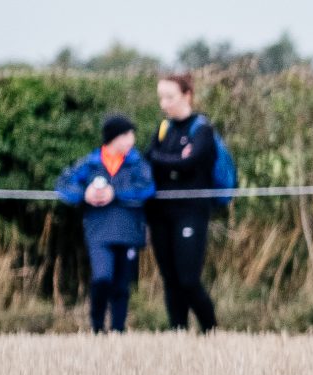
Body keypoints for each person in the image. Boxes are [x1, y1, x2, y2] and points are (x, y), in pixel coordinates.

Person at [55, 113, 156, 333]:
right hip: (98, 231)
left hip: (128, 230)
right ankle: (97, 327)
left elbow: (147, 188)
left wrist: (115, 193)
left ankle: (118, 330)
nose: (132, 139)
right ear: (115, 137)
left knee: (121, 284)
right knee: (102, 277)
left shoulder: (137, 164)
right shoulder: (91, 164)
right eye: (128, 134)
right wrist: (85, 194)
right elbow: (63, 185)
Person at [144, 72, 226, 332]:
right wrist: (175, 160)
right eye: (161, 98)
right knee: (170, 279)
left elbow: (191, 162)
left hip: (191, 212)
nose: (164, 103)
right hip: (160, 212)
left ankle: (210, 329)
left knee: (188, 278)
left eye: (170, 97)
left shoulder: (202, 129)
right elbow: (149, 158)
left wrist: (167, 159)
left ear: (187, 95)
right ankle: (177, 331)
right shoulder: (163, 128)